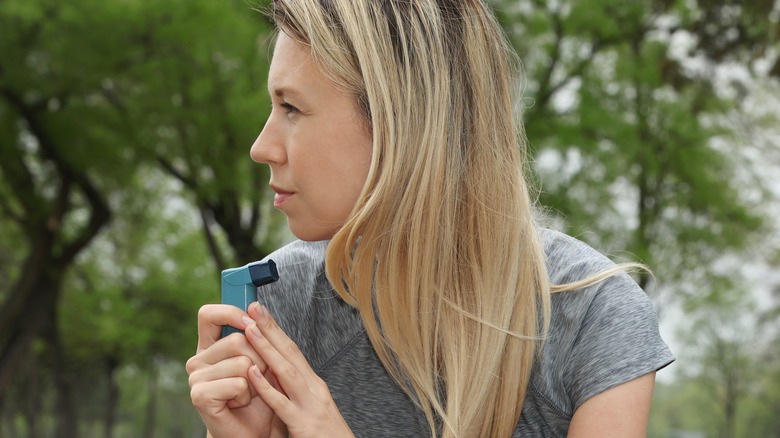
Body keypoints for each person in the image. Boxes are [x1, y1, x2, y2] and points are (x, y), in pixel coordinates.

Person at [185, 0, 674, 437]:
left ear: (402, 121)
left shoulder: (592, 317)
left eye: (291, 107)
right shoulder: (276, 307)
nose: (261, 147)